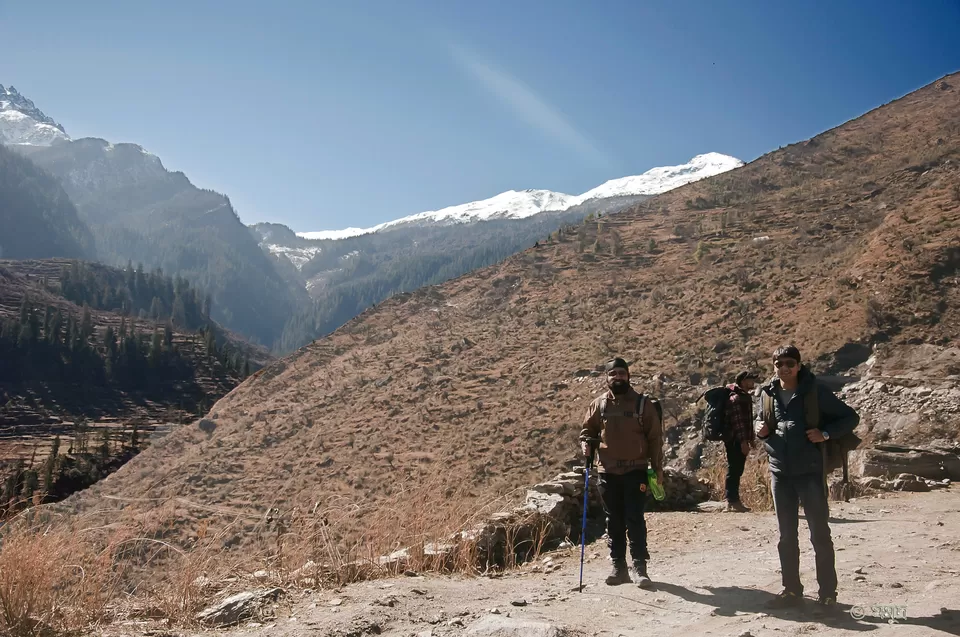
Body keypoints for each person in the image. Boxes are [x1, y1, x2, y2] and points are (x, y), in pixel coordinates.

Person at [755, 345, 860, 609]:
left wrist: (825, 434)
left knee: (819, 534)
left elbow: (850, 417)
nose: (784, 368)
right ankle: (791, 590)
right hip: (780, 472)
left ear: (799, 365)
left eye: (790, 363)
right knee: (786, 536)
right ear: (774, 366)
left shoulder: (815, 391)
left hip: (810, 472)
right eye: (779, 363)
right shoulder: (767, 393)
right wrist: (760, 430)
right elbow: (762, 421)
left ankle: (827, 594)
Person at [579, 357, 664, 588]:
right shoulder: (599, 405)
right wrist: (585, 443)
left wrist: (657, 470)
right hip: (607, 471)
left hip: (636, 470)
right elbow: (587, 431)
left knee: (635, 518)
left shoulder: (642, 404)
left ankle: (639, 567)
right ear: (607, 378)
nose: (618, 377)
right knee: (613, 521)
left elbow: (655, 438)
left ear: (629, 376)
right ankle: (618, 567)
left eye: (622, 373)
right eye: (613, 374)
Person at [723, 370, 760, 512]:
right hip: (735, 441)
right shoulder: (736, 399)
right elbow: (737, 423)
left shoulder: (744, 397)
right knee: (734, 469)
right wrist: (743, 442)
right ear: (743, 381)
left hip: (740, 439)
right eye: (750, 380)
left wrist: (751, 440)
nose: (753, 383)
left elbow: (747, 421)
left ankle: (733, 500)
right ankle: (732, 501)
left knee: (737, 469)